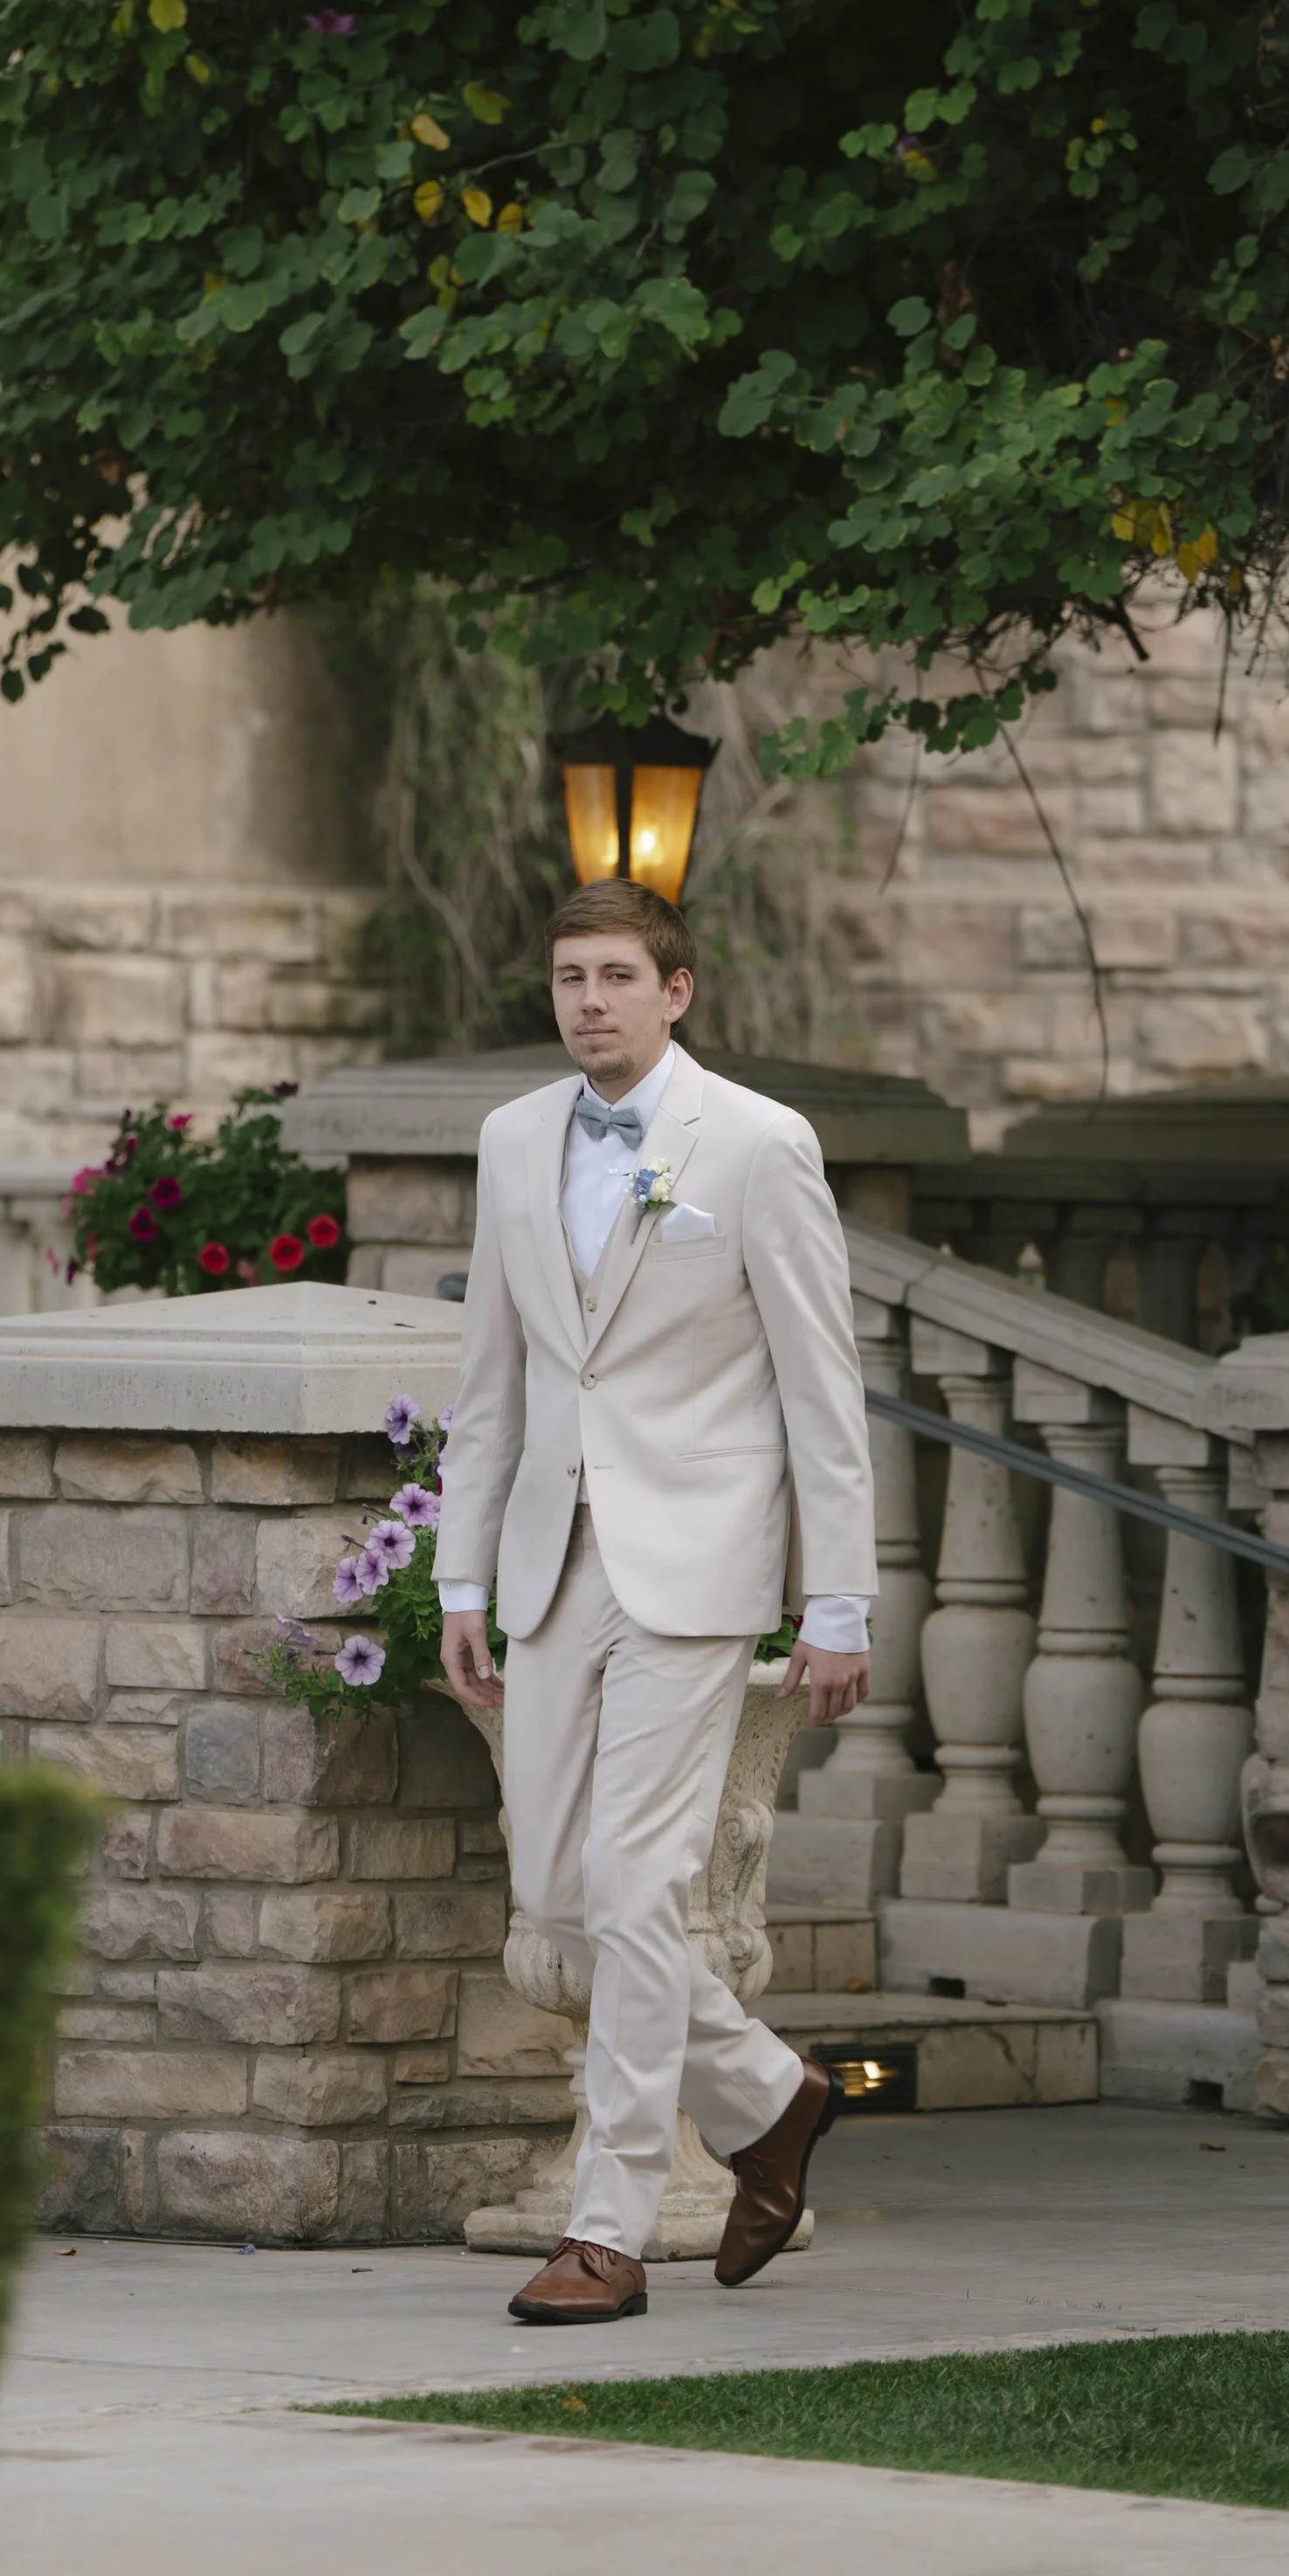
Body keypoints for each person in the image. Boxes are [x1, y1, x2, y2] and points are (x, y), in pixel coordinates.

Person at [436, 878, 876, 2325]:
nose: (591, 1001)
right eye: (571, 977)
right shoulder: (512, 1140)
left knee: (635, 1885)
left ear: (675, 991)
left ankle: (607, 2230)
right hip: (551, 1566)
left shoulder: (757, 1142)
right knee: (563, 1901)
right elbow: (495, 1375)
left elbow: (822, 1388)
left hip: (697, 1567)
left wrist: (839, 1600)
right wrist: (461, 1572)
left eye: (618, 975)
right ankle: (774, 2097)